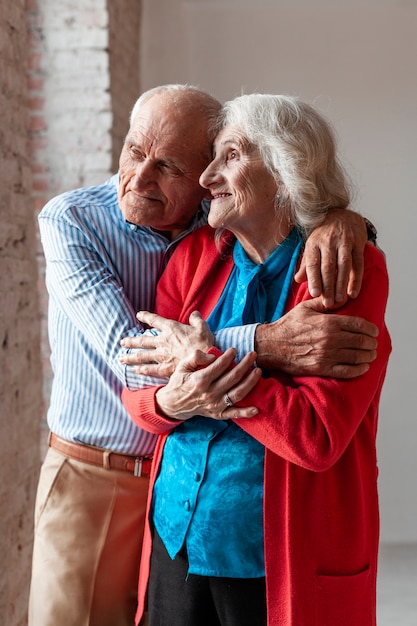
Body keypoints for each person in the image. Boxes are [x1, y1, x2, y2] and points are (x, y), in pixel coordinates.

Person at [30, 84, 378, 626]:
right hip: (113, 490)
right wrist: (261, 346)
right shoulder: (81, 223)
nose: (142, 179)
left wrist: (345, 219)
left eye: (171, 166)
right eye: (133, 152)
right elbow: (137, 371)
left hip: (239, 533)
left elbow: (316, 436)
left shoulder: (255, 240)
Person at [122, 94, 392, 626]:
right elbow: (140, 395)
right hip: (175, 538)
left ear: (286, 169)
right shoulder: (193, 258)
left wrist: (208, 369)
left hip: (275, 557)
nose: (206, 179)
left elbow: (316, 436)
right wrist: (175, 399)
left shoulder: (344, 269)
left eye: (232, 156)